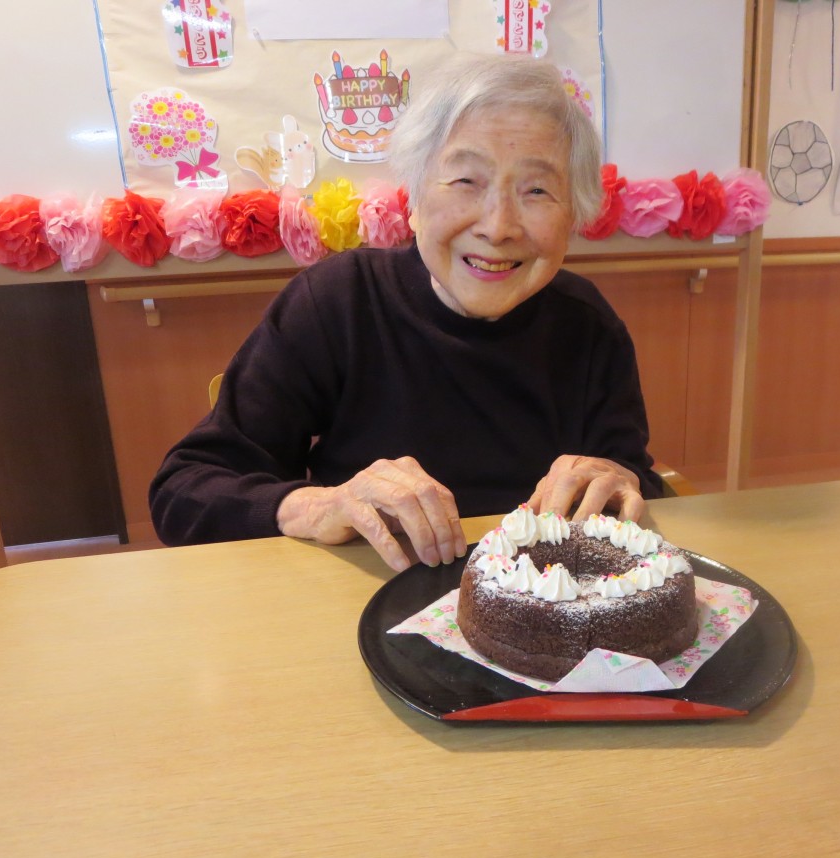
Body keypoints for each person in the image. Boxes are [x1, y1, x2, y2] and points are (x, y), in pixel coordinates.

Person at [149, 53, 663, 572]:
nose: (498, 226)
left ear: (572, 216)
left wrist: (620, 483)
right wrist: (316, 506)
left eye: (537, 190)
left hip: (543, 605)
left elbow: (633, 484)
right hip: (365, 594)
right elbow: (185, 489)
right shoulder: (339, 301)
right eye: (466, 181)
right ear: (414, 201)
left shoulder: (588, 325)